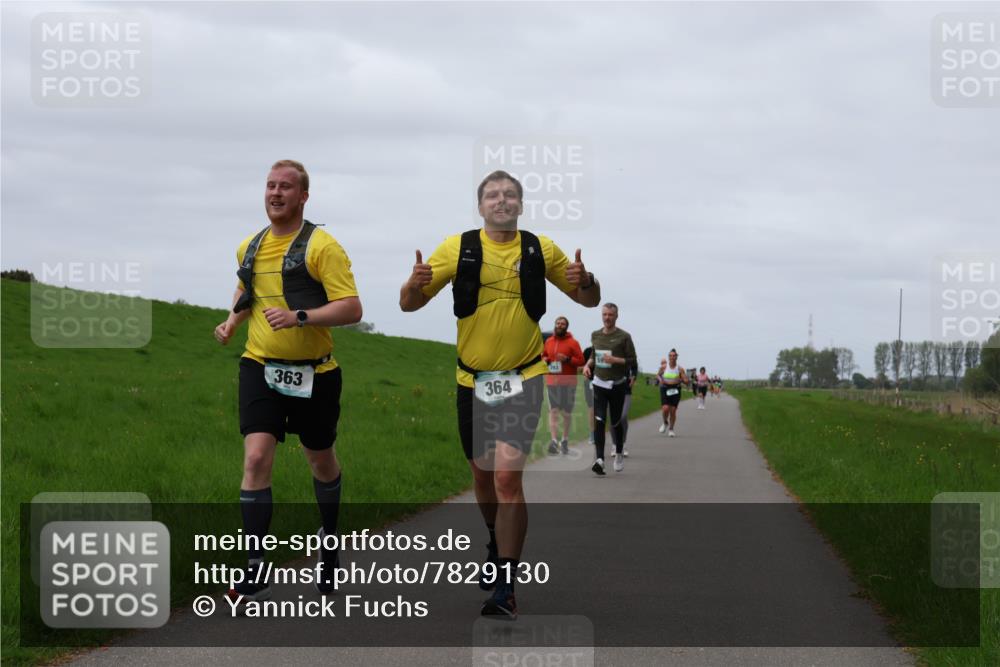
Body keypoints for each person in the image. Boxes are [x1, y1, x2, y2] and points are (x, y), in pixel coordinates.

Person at [399, 170, 600, 619]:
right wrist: (414, 283)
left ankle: (506, 586)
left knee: (508, 478)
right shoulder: (458, 247)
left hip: (525, 376)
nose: (501, 200)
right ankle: (494, 540)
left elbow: (588, 299)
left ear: (521, 204)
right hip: (472, 381)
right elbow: (408, 305)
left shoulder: (539, 248)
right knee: (483, 477)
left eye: (510, 194)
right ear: (481, 205)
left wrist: (586, 280)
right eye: (493, 195)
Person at [214, 160, 363, 602]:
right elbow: (247, 291)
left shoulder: (323, 247)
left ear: (303, 197)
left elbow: (352, 308)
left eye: (286, 187)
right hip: (260, 367)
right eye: (270, 186)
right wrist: (231, 323)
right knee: (257, 458)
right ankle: (256, 566)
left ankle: (330, 540)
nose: (275, 193)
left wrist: (301, 316)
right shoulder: (250, 246)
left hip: (316, 373)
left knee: (320, 461)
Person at [583, 303, 637, 475]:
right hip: (599, 383)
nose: (607, 318)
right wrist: (587, 365)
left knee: (615, 421)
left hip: (617, 385)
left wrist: (615, 360)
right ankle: (600, 459)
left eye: (610, 315)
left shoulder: (624, 336)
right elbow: (594, 355)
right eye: (604, 314)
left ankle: (619, 452)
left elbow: (631, 360)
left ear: (616, 316)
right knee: (599, 420)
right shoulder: (596, 335)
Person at [542, 316, 585, 455]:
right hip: (552, 381)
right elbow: (543, 355)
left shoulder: (573, 343)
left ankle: (564, 440)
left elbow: (581, 361)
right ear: (555, 325)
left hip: (568, 383)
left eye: (563, 323)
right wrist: (546, 359)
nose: (560, 325)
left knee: (566, 413)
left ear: (566, 326)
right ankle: (554, 441)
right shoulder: (548, 341)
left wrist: (567, 359)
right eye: (558, 323)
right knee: (553, 411)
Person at [656, 349, 688, 437]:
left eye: (674, 356)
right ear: (668, 357)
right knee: (665, 408)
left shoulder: (680, 369)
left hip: (675, 389)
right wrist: (660, 380)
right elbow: (658, 375)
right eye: (670, 356)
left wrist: (681, 379)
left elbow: (686, 380)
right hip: (665, 388)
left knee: (673, 411)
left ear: (677, 357)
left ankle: (671, 429)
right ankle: (665, 422)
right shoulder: (664, 367)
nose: (672, 357)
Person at [582, 346, 596, 444]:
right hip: (589, 382)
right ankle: (592, 435)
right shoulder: (587, 351)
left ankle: (598, 433)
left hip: (603, 382)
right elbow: (581, 365)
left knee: (601, 410)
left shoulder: (606, 350)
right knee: (591, 409)